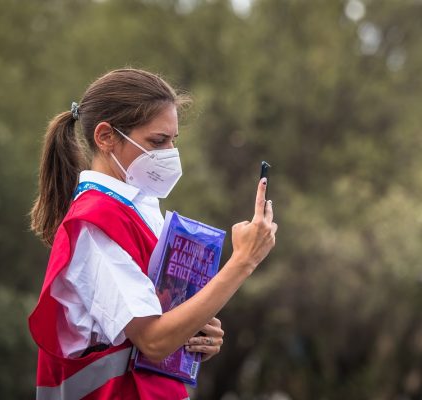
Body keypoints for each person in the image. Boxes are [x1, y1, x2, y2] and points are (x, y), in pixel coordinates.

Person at [28, 68, 277, 400]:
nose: (170, 153)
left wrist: (197, 333)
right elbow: (154, 341)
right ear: (105, 137)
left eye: (173, 140)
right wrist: (243, 261)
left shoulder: (136, 209)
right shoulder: (93, 222)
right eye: (157, 141)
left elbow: (162, 331)